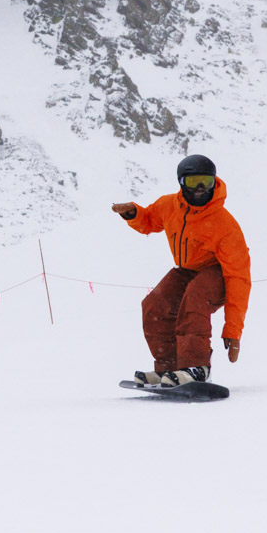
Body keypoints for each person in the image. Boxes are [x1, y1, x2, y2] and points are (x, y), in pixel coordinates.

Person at [111, 154, 251, 387]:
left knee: (195, 297)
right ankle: (170, 367)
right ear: (181, 183)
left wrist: (233, 330)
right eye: (193, 182)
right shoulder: (169, 205)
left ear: (214, 182)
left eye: (205, 182)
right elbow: (149, 220)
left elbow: (238, 277)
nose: (199, 189)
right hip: (187, 269)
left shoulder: (224, 224)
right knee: (155, 304)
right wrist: (133, 213)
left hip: (218, 274)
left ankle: (197, 368)